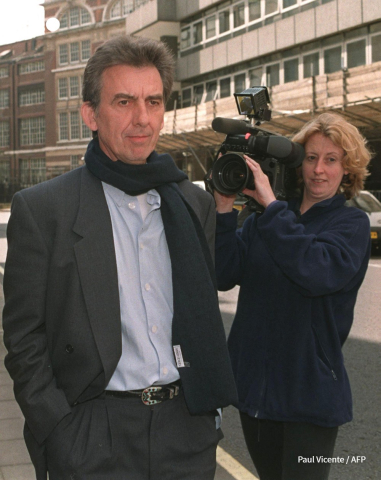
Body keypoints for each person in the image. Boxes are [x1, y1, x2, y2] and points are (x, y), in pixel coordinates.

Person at [2, 35, 237, 480]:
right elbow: (23, 336)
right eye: (124, 101)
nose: (141, 119)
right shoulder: (44, 209)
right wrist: (58, 425)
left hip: (185, 429)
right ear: (90, 113)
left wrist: (206, 419)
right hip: (92, 433)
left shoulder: (194, 205)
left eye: (153, 101)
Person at [214, 112, 372, 480]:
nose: (319, 170)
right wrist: (223, 208)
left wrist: (271, 208)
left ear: (347, 170)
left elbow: (314, 270)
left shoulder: (350, 225)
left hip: (309, 395)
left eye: (332, 160)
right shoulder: (263, 219)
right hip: (256, 392)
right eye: (312, 158)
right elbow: (224, 275)